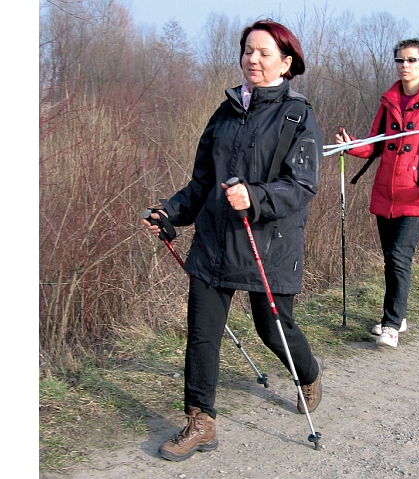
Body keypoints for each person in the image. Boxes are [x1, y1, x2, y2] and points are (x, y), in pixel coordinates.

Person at [143, 19, 324, 462]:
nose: (253, 59)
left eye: (264, 53)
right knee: (202, 334)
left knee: (272, 328)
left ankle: (308, 373)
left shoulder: (298, 116)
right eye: (248, 51)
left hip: (269, 244)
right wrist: (171, 211)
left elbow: (302, 185)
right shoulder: (224, 112)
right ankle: (200, 421)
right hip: (216, 242)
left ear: (287, 62)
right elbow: (202, 182)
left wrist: (256, 196)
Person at [335, 38, 419, 349]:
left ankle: (391, 325)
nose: (405, 66)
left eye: (412, 60)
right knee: (391, 260)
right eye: (400, 60)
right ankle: (399, 314)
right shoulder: (389, 99)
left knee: (398, 256)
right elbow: (376, 144)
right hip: (386, 194)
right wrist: (350, 144)